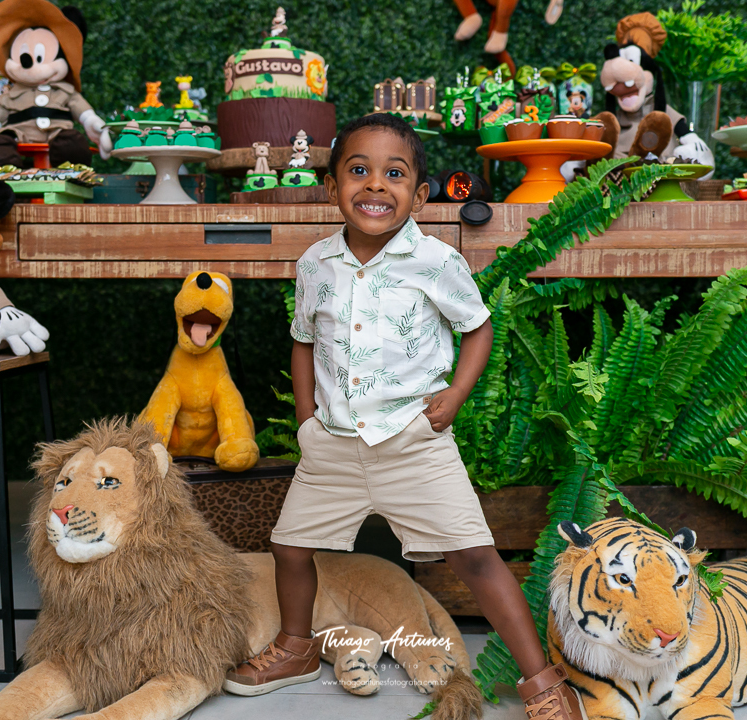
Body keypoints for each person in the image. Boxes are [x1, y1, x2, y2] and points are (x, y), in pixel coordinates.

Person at [224, 113, 585, 720]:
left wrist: (455, 397)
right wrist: (308, 421)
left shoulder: (437, 261)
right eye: (357, 171)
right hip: (333, 445)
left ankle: (543, 681)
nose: (375, 185)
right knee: (290, 548)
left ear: (420, 195)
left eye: (394, 174)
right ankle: (295, 648)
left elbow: (478, 328)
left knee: (475, 556)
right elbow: (304, 340)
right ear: (331, 186)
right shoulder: (316, 263)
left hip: (413, 442)